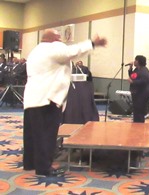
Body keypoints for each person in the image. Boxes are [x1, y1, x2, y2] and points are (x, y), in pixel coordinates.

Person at [23, 29, 107, 177]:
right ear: (51, 39)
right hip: (47, 99)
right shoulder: (53, 47)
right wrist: (92, 43)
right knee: (47, 135)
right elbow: (72, 51)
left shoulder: (35, 51)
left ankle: (30, 163)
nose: (60, 39)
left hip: (31, 98)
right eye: (58, 37)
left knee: (32, 135)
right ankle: (44, 169)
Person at [128, 55, 149, 123]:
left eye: (135, 60)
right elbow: (132, 76)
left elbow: (145, 81)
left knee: (140, 111)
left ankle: (140, 125)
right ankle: (136, 124)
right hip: (136, 93)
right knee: (136, 110)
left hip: (141, 94)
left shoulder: (144, 70)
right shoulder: (137, 70)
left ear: (139, 61)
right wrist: (130, 68)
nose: (134, 61)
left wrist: (133, 82)